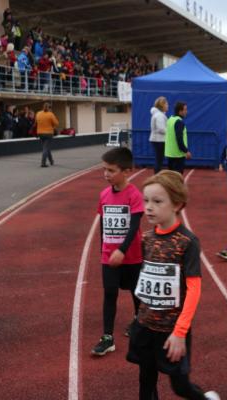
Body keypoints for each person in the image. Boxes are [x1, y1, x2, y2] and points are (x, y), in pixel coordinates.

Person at [128, 170, 219, 400]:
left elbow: (194, 290)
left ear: (177, 204)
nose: (149, 207)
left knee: (180, 387)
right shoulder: (147, 238)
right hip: (145, 325)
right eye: (146, 200)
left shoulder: (187, 241)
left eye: (157, 202)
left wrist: (179, 332)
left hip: (171, 331)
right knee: (145, 380)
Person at [92, 148, 143, 357]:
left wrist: (122, 250)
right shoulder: (103, 195)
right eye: (104, 170)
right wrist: (103, 249)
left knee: (136, 293)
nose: (106, 174)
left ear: (126, 171)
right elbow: (103, 223)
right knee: (110, 293)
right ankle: (107, 337)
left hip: (131, 256)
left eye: (111, 170)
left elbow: (134, 226)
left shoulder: (134, 195)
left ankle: (139, 321)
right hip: (109, 256)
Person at [165, 101, 191, 174]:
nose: (186, 111)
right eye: (185, 110)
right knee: (177, 178)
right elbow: (179, 139)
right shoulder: (179, 122)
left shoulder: (170, 119)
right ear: (180, 111)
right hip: (177, 155)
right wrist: (186, 151)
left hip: (170, 153)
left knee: (171, 177)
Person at [35, 102, 58, 167]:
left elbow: (36, 122)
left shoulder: (38, 113)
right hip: (48, 133)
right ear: (49, 108)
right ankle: (43, 163)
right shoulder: (50, 114)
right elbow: (56, 123)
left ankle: (51, 161)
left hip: (40, 133)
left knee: (46, 147)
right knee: (45, 148)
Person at [149, 96, 168, 174]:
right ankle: (157, 175)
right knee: (159, 159)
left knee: (159, 159)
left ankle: (157, 174)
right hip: (159, 140)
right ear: (162, 105)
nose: (167, 105)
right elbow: (161, 128)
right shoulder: (159, 115)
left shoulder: (158, 114)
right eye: (166, 104)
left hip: (157, 139)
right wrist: (170, 133)